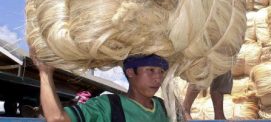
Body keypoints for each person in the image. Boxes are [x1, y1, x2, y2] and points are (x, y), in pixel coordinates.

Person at [30, 46, 170, 122]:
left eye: (161, 71)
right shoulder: (107, 106)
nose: (158, 78)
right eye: (151, 70)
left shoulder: (164, 107)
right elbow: (57, 119)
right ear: (130, 72)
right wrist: (45, 72)